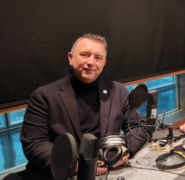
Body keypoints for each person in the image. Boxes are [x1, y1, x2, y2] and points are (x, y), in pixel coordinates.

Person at [17, 33, 146, 179]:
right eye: (85, 55)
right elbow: (34, 143)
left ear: (104, 63)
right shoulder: (43, 96)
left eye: (98, 57)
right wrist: (75, 165)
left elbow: (137, 126)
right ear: (70, 58)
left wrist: (125, 149)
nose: (91, 62)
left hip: (107, 172)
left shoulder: (118, 91)